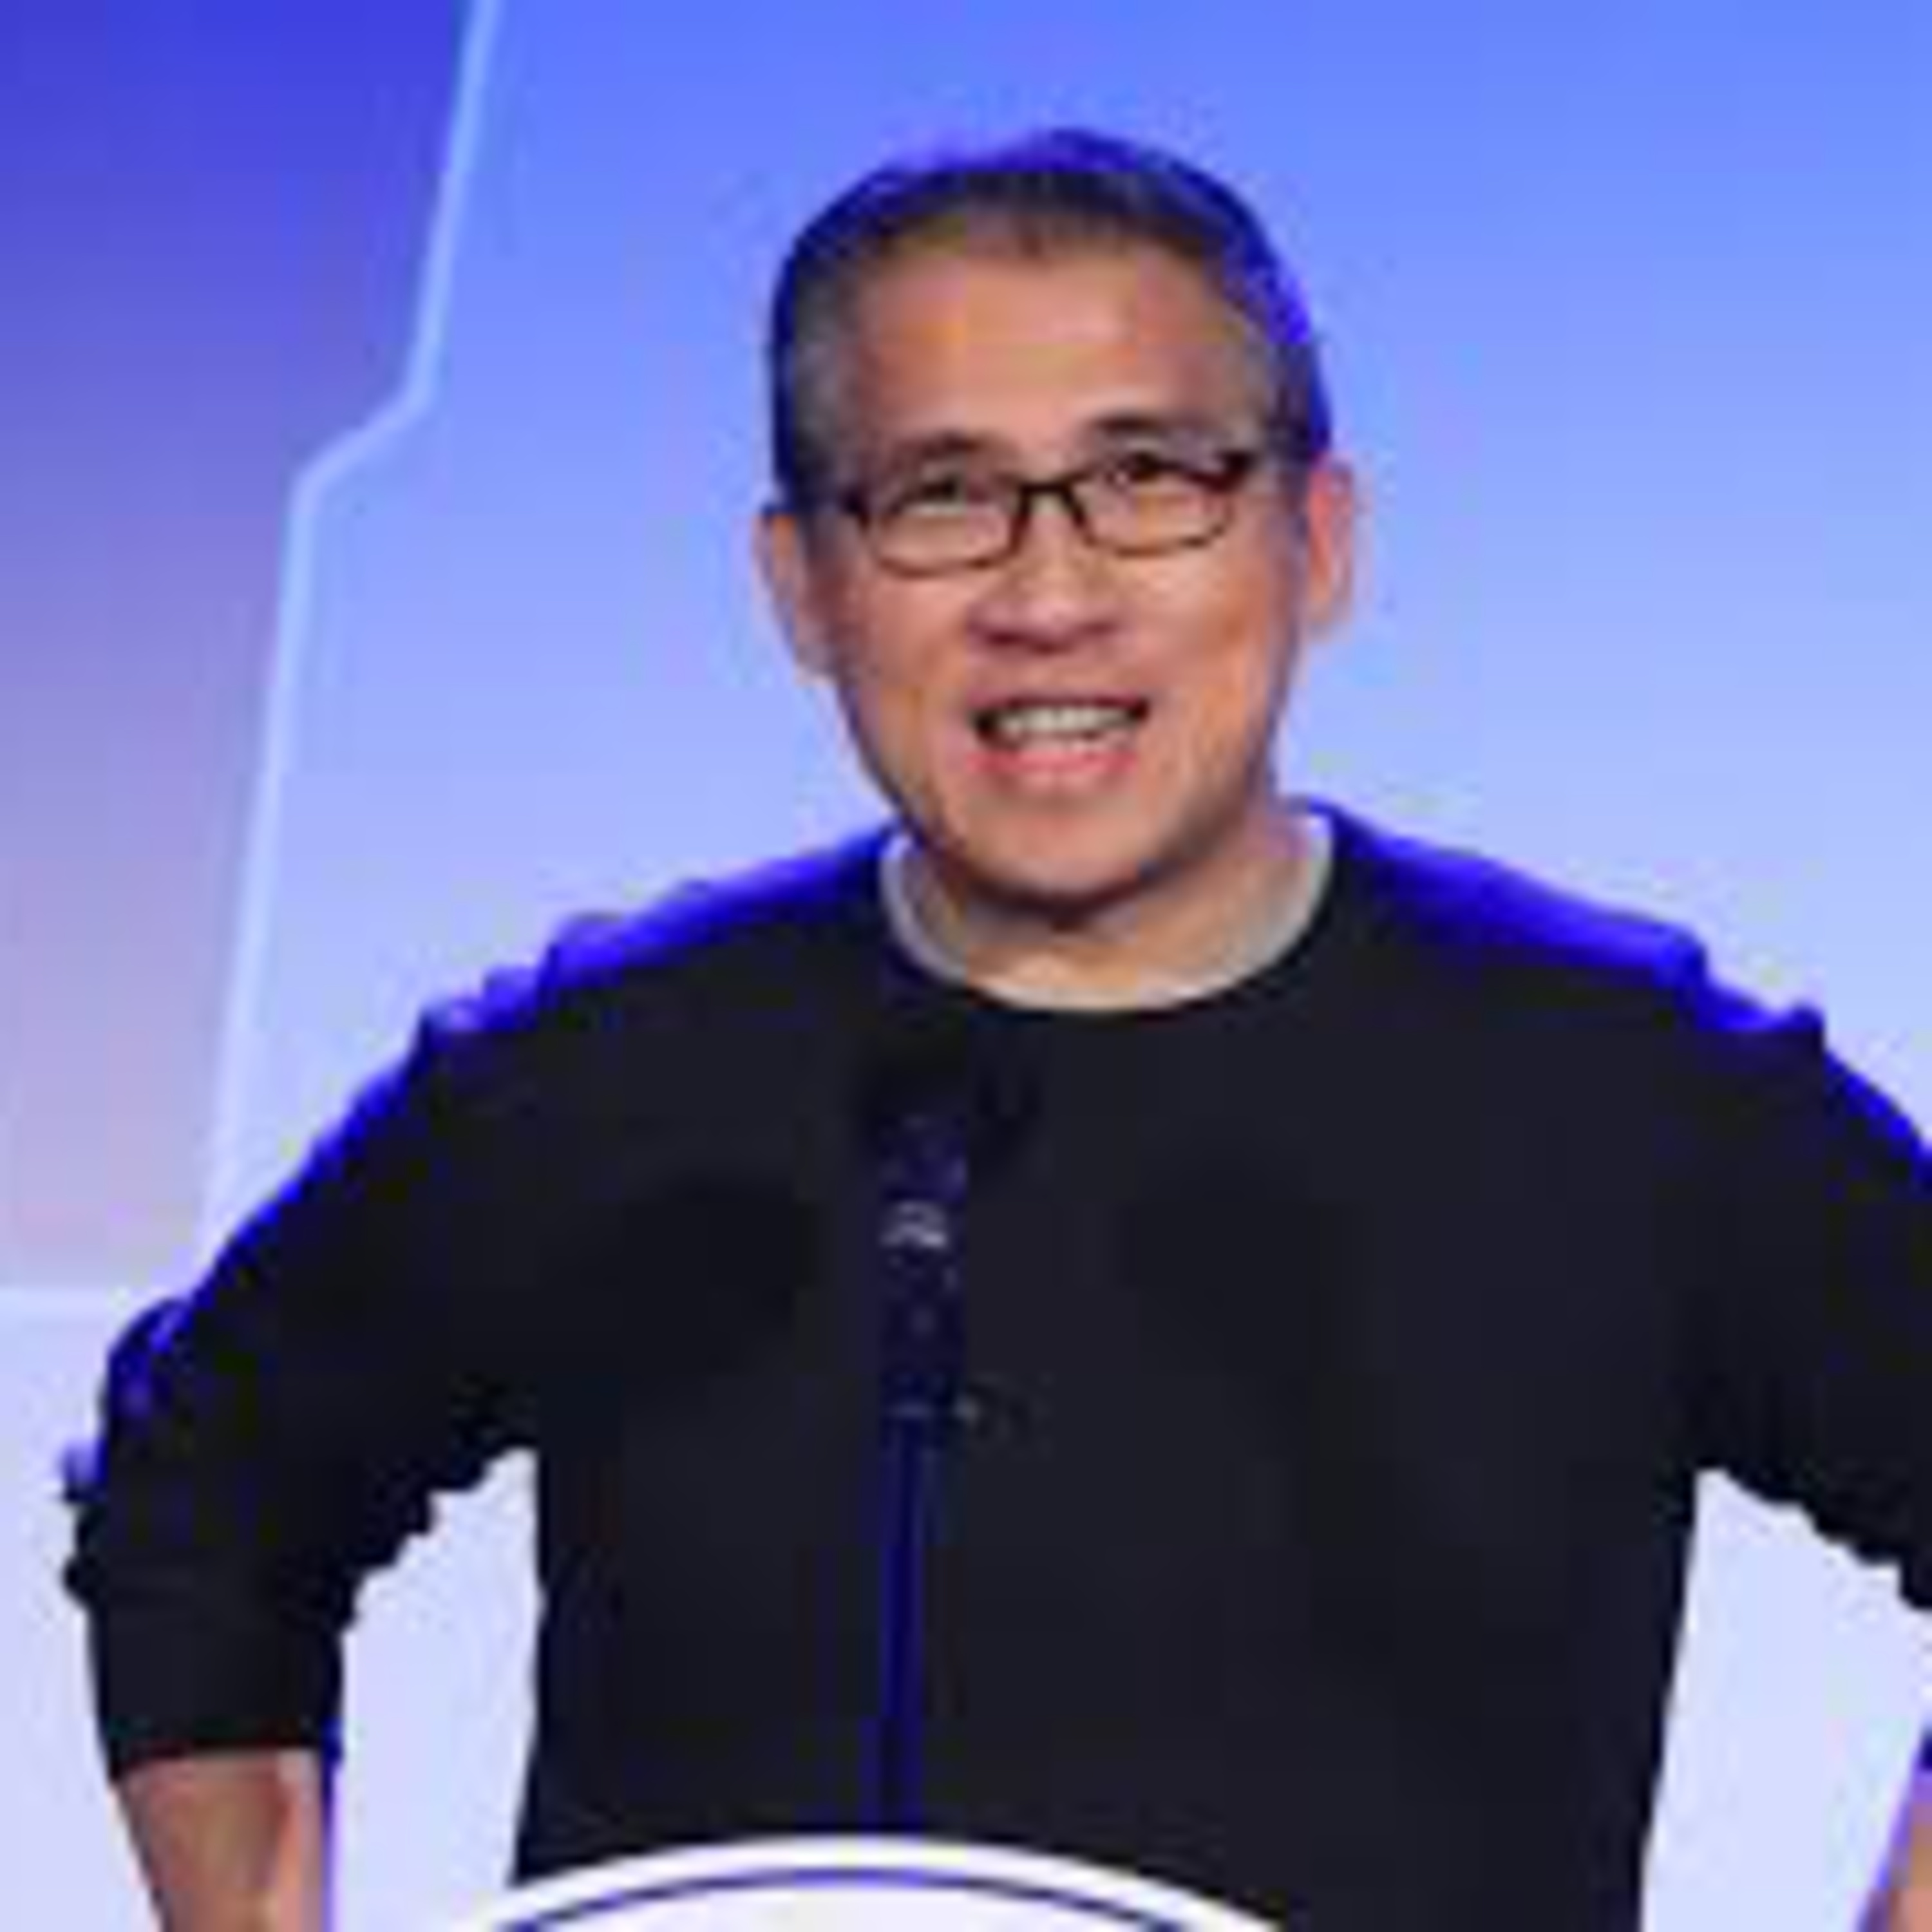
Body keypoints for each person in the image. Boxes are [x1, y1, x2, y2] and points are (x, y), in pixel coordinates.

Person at [66, 128, 1932, 1929]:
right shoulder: (598, 1078)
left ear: (1318, 540)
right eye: (941, 498)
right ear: (804, 586)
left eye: (1151, 477)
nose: (1048, 597)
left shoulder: (1630, 1095)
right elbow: (202, 1500)